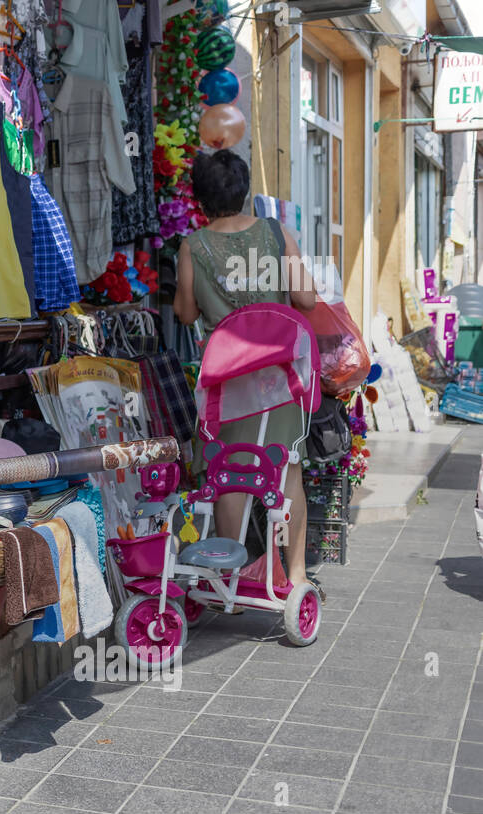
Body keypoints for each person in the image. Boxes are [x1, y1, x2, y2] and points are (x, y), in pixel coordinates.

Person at [174, 149, 318, 589]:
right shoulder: (277, 234)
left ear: (200, 198)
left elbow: (184, 313)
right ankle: (295, 576)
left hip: (228, 380)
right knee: (287, 466)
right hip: (280, 377)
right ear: (244, 189)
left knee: (230, 472)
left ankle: (228, 576)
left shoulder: (192, 246)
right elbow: (307, 299)